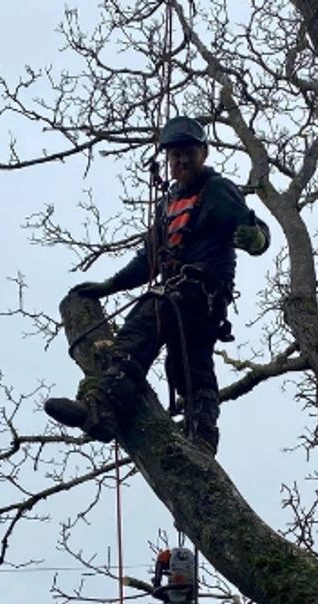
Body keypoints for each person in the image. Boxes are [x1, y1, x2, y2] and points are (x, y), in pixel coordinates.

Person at [44, 115, 270, 454]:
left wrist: (255, 239)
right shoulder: (167, 205)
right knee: (186, 364)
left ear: (203, 153)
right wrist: (110, 285)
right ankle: (201, 434)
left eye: (188, 153)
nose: (181, 160)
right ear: (168, 159)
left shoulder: (218, 191)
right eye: (175, 155)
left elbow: (253, 227)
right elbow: (149, 258)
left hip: (200, 293)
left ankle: (102, 403)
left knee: (144, 323)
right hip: (188, 301)